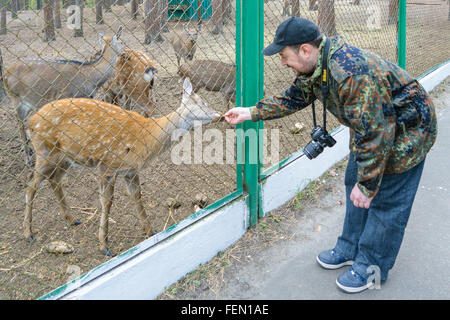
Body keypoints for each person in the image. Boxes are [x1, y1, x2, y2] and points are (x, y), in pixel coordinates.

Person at [224, 17, 437, 293]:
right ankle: (350, 247)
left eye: (284, 56)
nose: (282, 62)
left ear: (304, 50)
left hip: (408, 131)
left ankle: (371, 266)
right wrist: (250, 112)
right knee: (354, 183)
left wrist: (369, 185)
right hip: (374, 127)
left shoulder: (350, 73)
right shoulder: (316, 66)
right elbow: (294, 98)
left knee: (385, 200)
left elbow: (378, 132)